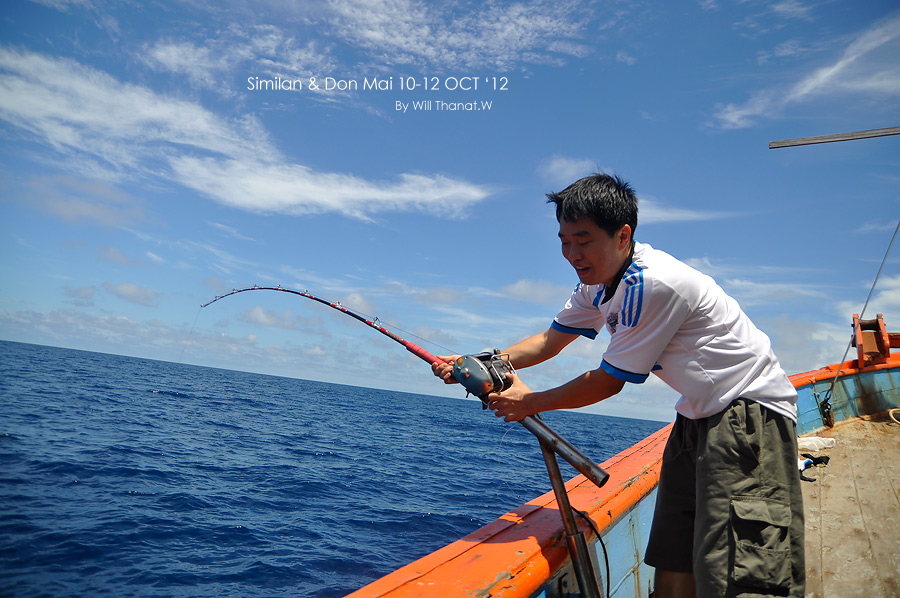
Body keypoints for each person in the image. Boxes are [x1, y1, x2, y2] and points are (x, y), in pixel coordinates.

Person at [433, 173, 804, 598]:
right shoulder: (595, 284)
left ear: (623, 235)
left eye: (584, 240)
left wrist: (528, 403)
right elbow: (547, 342)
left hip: (748, 415)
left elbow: (609, 382)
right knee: (674, 551)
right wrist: (473, 364)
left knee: (745, 569)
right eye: (564, 240)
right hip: (695, 414)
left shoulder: (654, 283)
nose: (572, 253)